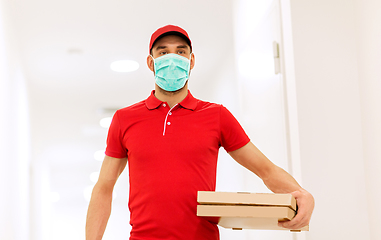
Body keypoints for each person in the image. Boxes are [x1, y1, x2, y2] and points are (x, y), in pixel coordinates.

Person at [85, 25, 314, 240]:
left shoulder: (216, 115)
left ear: (191, 61)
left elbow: (266, 170)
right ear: (150, 62)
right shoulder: (125, 119)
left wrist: (301, 193)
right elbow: (104, 187)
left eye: (181, 52)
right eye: (163, 52)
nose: (172, 59)